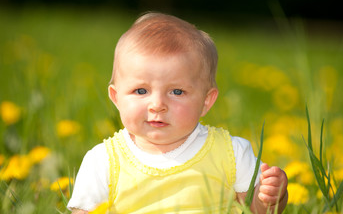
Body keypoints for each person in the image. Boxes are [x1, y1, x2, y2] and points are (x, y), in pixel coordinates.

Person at [67, 12, 288, 213]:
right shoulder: (104, 161)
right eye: (141, 90)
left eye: (176, 91)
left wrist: (271, 198)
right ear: (116, 98)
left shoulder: (232, 154)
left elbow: (257, 210)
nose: (157, 105)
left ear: (206, 101)